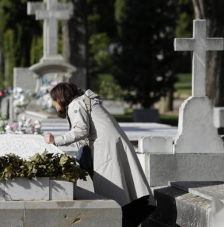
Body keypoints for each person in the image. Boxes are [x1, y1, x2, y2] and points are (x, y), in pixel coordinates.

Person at [44, 82, 156, 227]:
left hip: (104, 148)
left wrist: (55, 140)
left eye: (54, 101)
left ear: (60, 98)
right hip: (112, 143)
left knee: (113, 189)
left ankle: (118, 221)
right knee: (124, 185)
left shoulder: (76, 104)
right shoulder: (85, 100)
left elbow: (81, 131)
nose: (55, 106)